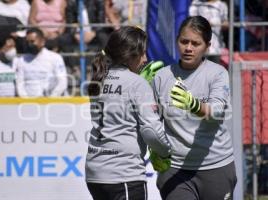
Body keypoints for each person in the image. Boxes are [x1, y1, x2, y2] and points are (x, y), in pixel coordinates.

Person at [150, 16, 237, 200]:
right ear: (176, 41)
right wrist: (155, 148)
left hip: (216, 165)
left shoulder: (218, 73)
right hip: (175, 169)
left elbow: (216, 112)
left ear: (207, 46)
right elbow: (152, 122)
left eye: (195, 43)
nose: (188, 48)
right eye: (184, 41)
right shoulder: (161, 77)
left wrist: (194, 105)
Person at [85, 26, 171, 200]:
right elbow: (151, 131)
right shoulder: (137, 83)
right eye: (142, 53)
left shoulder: (98, 79)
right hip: (123, 174)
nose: (145, 59)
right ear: (129, 55)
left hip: (95, 173)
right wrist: (166, 152)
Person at [14, 28, 68, 97]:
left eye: (32, 41)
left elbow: (62, 82)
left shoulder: (55, 58)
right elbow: (19, 83)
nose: (29, 44)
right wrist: (26, 100)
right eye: (27, 42)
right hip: (28, 103)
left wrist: (51, 99)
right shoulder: (21, 60)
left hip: (50, 101)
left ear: (42, 42)